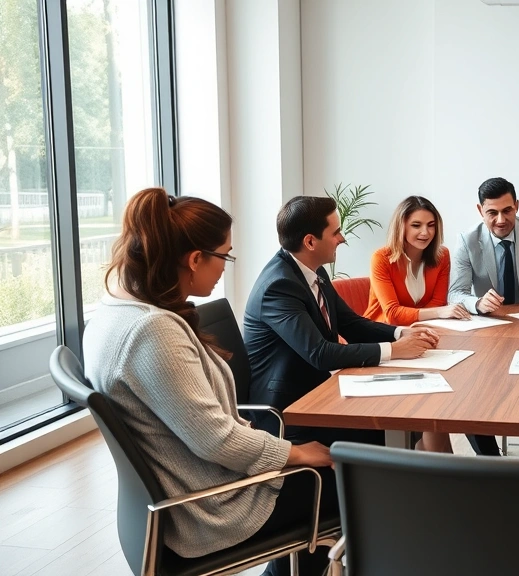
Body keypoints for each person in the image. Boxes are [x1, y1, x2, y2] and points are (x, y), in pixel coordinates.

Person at [83, 188, 336, 575]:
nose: (225, 267)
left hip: (194, 488)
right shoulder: (152, 332)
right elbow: (217, 439)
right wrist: (297, 454)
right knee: (349, 482)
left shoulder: (113, 311)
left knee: (331, 469)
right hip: (212, 509)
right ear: (195, 258)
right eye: (225, 255)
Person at [245, 196, 440, 447]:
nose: (342, 238)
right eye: (336, 232)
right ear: (310, 241)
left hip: (316, 388)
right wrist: (394, 351)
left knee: (406, 416)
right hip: (289, 408)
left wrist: (400, 334)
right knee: (391, 425)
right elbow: (320, 354)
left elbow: (351, 324)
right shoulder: (278, 287)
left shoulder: (312, 269)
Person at [448, 176, 519, 456]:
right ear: (480, 211)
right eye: (492, 212)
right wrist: (477, 302)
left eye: (507, 210)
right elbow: (455, 293)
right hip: (487, 332)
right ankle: (491, 460)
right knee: (468, 397)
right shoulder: (467, 240)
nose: (501, 219)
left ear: (517, 206)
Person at [364, 195, 467, 452]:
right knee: (437, 399)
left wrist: (432, 316)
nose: (425, 232)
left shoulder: (441, 256)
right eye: (416, 225)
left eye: (431, 225)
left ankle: (430, 458)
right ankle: (433, 461)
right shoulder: (382, 258)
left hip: (422, 337)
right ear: (402, 226)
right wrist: (438, 314)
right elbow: (392, 314)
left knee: (445, 394)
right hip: (384, 341)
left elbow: (436, 302)